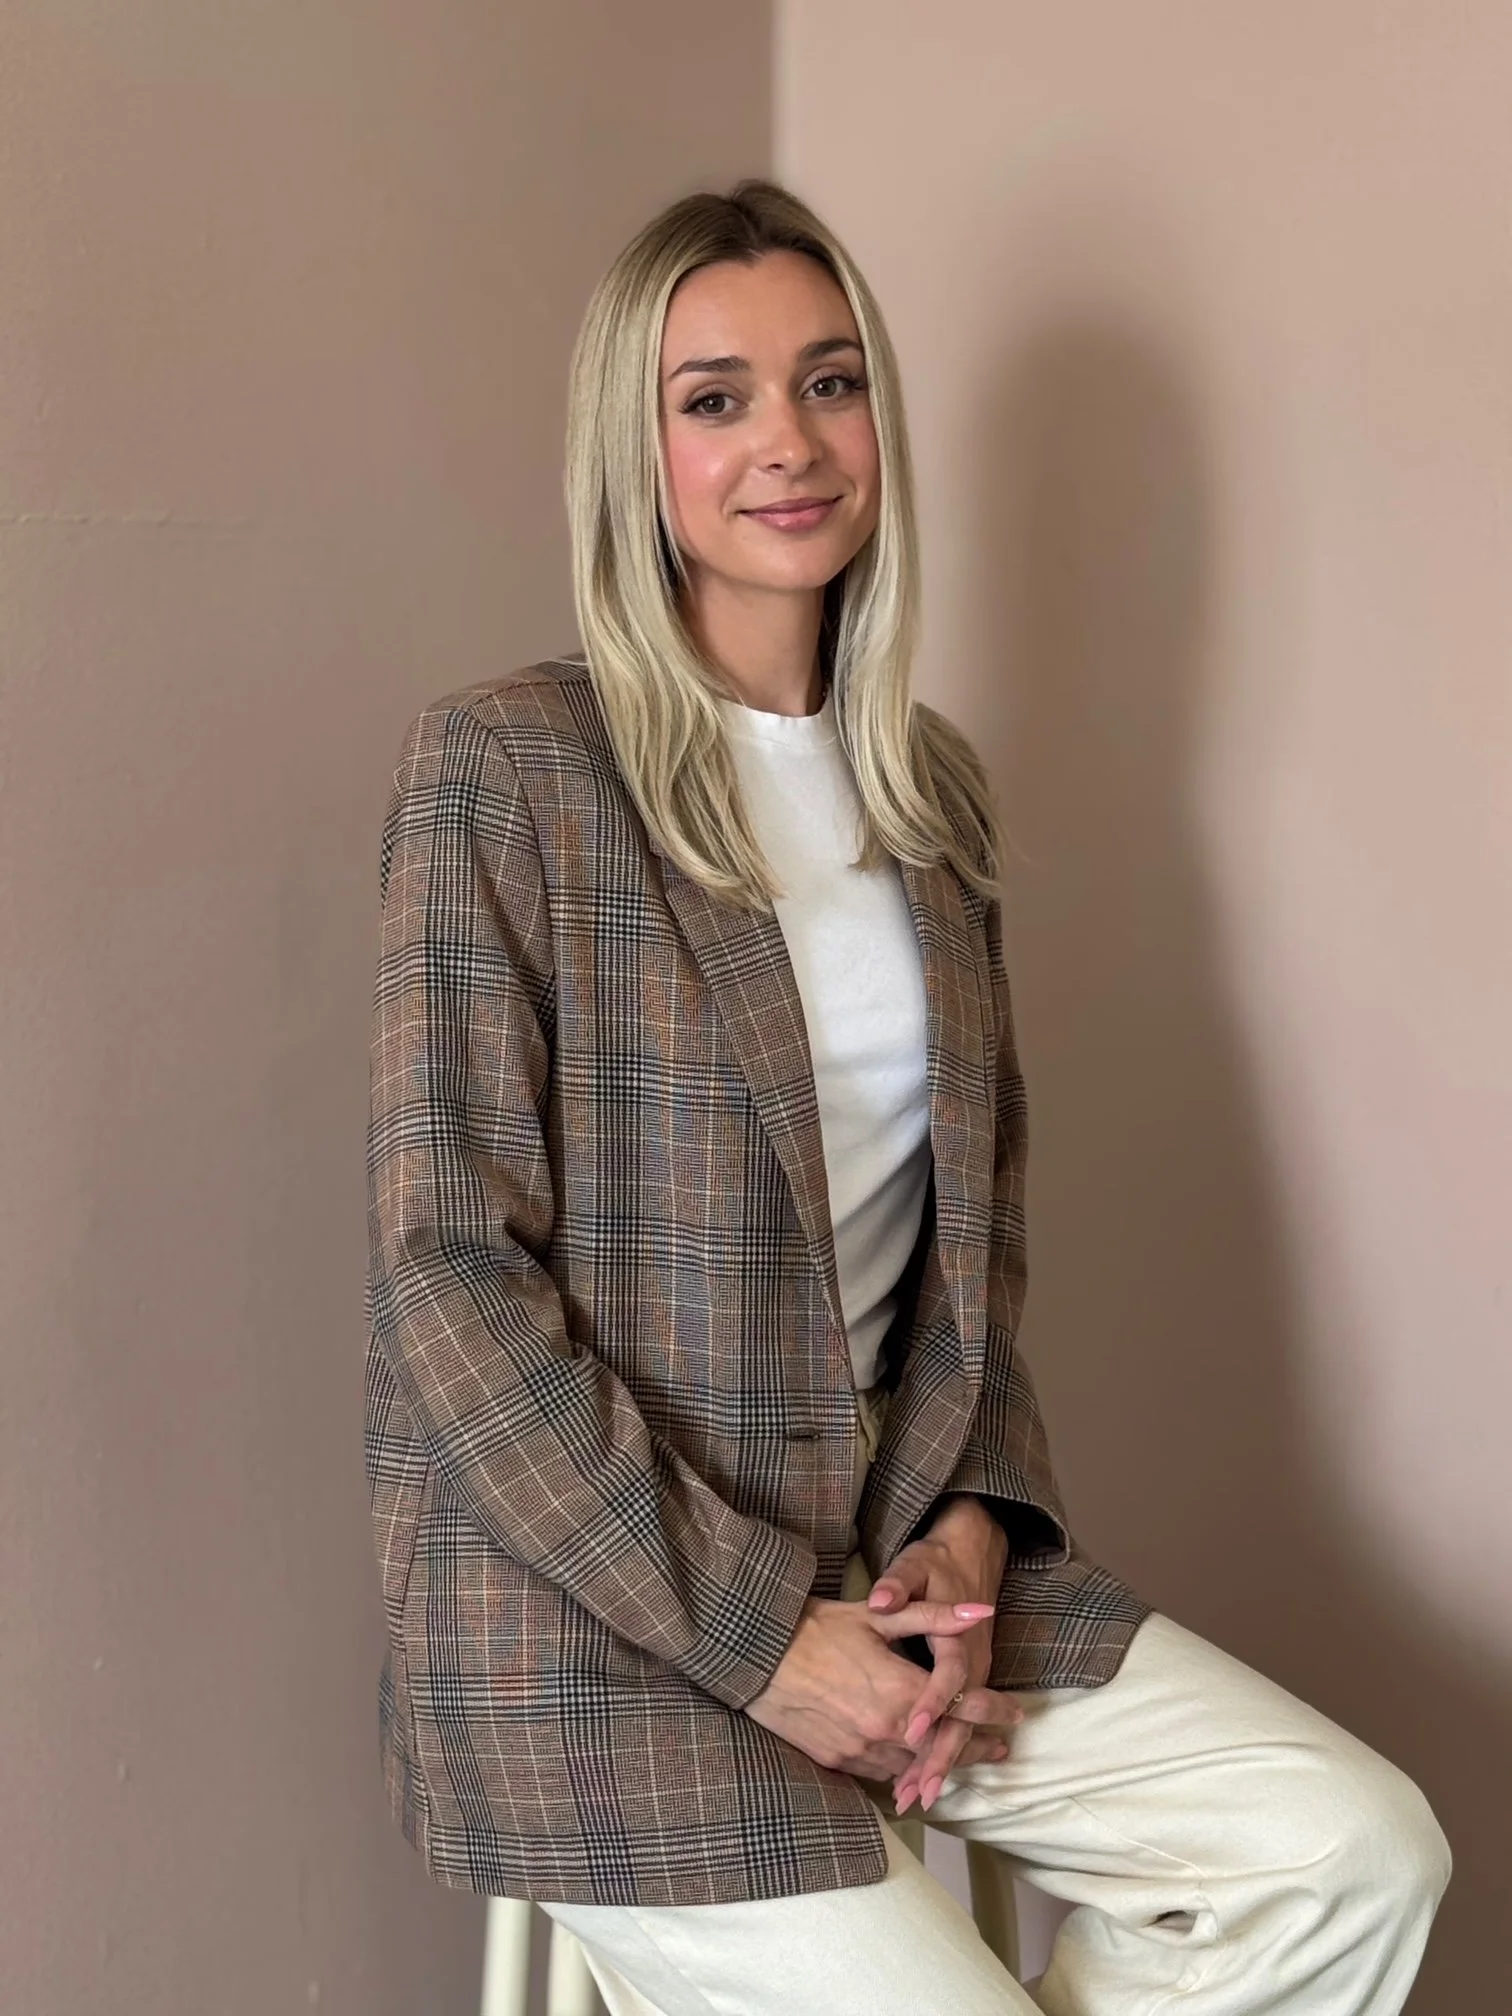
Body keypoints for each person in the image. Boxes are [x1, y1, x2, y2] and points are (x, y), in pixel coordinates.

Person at [363, 178, 1449, 2015]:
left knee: (1351, 1854)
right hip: (601, 1633)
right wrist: (756, 1635)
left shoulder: (928, 797)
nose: (788, 442)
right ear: (636, 458)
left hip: (896, 1576)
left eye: (832, 381)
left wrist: (972, 1526)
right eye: (714, 399)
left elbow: (972, 1269)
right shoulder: (511, 772)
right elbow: (451, 1285)